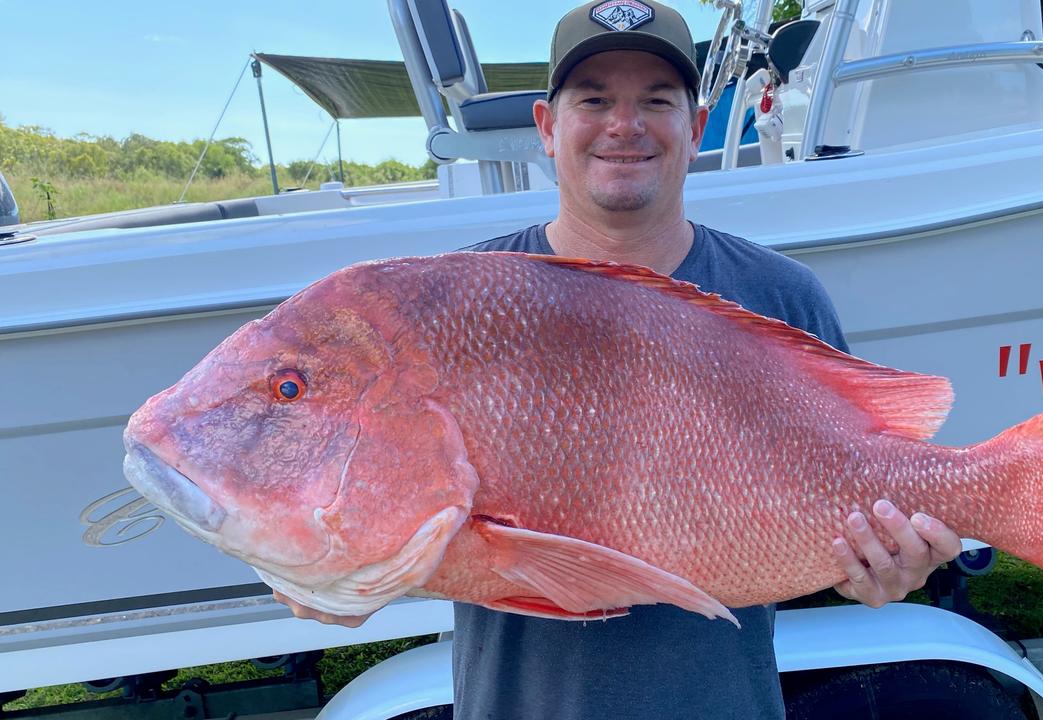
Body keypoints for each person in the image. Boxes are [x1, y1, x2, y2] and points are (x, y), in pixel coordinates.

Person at [275, 2, 963, 716]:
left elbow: (862, 477)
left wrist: (878, 566)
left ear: (694, 129)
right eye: (594, 99)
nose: (623, 125)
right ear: (546, 126)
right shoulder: (460, 300)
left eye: (655, 101)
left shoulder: (778, 293)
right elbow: (411, 509)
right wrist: (332, 576)